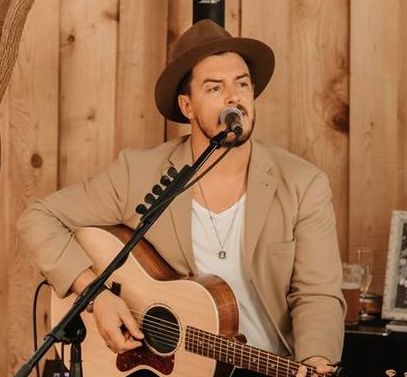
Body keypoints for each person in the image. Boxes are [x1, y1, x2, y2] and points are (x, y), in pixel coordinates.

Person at [18, 19, 345, 375]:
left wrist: (315, 363)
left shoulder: (303, 184)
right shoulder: (139, 174)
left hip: (267, 368)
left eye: (242, 84)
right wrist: (96, 296)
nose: (234, 97)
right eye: (215, 88)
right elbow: (38, 217)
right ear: (187, 107)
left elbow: (318, 294)